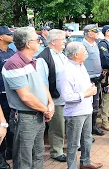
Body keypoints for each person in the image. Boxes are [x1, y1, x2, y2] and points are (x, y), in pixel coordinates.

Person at [2, 27, 55, 169]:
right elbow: (25, 97)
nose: (40, 42)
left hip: (38, 115)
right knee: (23, 158)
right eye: (37, 40)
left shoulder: (32, 60)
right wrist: (46, 109)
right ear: (28, 44)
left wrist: (50, 104)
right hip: (25, 118)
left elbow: (42, 84)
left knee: (38, 155)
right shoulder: (14, 64)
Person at [60, 42, 103, 169]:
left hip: (86, 108)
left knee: (87, 138)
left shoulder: (81, 66)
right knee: (73, 143)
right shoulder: (66, 71)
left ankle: (86, 161)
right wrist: (85, 94)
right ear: (76, 54)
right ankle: (72, 166)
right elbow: (66, 97)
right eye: (84, 51)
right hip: (75, 112)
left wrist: (90, 89)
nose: (87, 54)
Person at [36, 29, 68, 162]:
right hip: (55, 99)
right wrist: (49, 102)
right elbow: (42, 82)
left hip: (66, 98)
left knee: (64, 125)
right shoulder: (43, 58)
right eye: (63, 39)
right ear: (54, 41)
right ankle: (56, 151)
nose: (65, 42)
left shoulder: (61, 54)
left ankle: (63, 146)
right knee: (57, 127)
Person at [82, 24, 105, 136]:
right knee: (87, 105)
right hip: (88, 80)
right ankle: (87, 130)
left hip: (97, 79)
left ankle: (93, 126)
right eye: (95, 32)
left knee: (96, 104)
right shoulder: (82, 45)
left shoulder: (95, 44)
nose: (97, 34)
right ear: (90, 33)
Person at [0, 26, 14, 169]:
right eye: (8, 34)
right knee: (1, 127)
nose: (12, 36)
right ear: (1, 37)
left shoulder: (11, 52)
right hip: (1, 96)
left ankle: (10, 151)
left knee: (11, 127)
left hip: (11, 95)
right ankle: (1, 158)